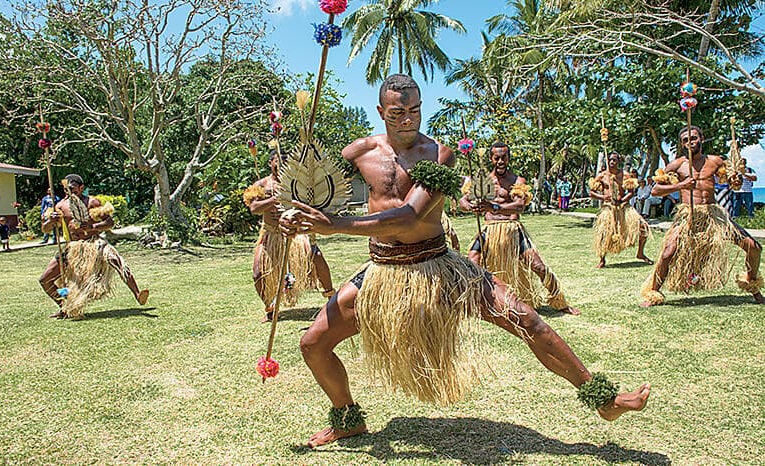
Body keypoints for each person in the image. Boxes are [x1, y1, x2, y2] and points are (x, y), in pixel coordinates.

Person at [279, 74, 649, 448]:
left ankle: (605, 400)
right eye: (397, 112)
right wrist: (295, 211)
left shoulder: (438, 154)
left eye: (415, 110)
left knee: (528, 320)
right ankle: (347, 418)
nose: (408, 119)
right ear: (380, 111)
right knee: (313, 344)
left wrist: (335, 226)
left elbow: (410, 215)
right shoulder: (359, 152)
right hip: (383, 271)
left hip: (439, 267)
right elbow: (317, 193)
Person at [641, 126, 763, 306]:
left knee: (754, 247)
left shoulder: (715, 161)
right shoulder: (677, 164)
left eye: (693, 138)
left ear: (702, 139)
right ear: (682, 144)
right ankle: (653, 293)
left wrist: (735, 179)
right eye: (685, 140)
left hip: (713, 215)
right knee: (668, 253)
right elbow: (656, 190)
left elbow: (732, 182)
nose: (690, 143)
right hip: (688, 215)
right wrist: (681, 185)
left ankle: (754, 289)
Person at [459, 141, 579, 315]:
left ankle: (560, 302)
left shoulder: (517, 180)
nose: (500, 161)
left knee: (538, 267)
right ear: (491, 159)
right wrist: (471, 207)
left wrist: (494, 207)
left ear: (508, 158)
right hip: (489, 229)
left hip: (512, 230)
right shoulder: (483, 180)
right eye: (497, 158)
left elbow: (520, 205)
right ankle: (471, 304)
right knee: (472, 263)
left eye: (504, 158)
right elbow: (464, 200)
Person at [39, 174, 149, 319]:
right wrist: (50, 221)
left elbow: (110, 223)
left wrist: (92, 226)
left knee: (115, 260)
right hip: (72, 247)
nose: (70, 192)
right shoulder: (59, 207)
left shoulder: (92, 202)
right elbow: (45, 229)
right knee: (45, 280)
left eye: (73, 189)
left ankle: (137, 293)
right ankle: (65, 306)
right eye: (67, 190)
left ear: (81, 188)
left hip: (93, 243)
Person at [244, 150, 335, 322]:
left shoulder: (296, 183)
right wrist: (275, 199)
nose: (281, 164)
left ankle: (332, 299)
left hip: (295, 233)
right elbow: (254, 208)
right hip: (271, 234)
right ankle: (269, 308)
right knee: (258, 273)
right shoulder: (262, 184)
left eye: (286, 161)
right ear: (271, 162)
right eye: (278, 161)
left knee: (316, 256)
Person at [589, 152, 652, 268]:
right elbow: (591, 192)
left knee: (643, 227)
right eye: (610, 160)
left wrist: (622, 200)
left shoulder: (625, 175)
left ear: (619, 162)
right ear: (607, 161)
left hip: (624, 206)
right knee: (604, 231)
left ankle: (640, 253)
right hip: (608, 207)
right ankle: (602, 259)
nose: (612, 162)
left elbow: (631, 192)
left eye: (615, 160)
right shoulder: (602, 175)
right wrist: (603, 197)